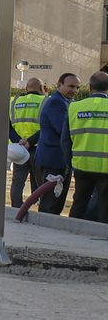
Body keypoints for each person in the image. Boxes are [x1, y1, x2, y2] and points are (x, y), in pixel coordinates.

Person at [35, 72, 80, 215]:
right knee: (50, 205)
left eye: (77, 87)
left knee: (56, 203)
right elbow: (64, 131)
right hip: (53, 162)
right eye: (71, 86)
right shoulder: (57, 102)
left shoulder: (64, 102)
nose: (74, 90)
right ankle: (43, 235)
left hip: (57, 161)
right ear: (59, 85)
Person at [66, 71, 108, 222]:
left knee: (79, 203)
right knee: (105, 206)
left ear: (90, 87)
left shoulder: (74, 107)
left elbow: (65, 140)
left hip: (82, 165)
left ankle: (72, 236)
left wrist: (70, 161)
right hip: (106, 168)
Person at [8, 77, 45, 207]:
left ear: (26, 88)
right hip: (38, 148)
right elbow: (47, 126)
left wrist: (19, 141)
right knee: (42, 183)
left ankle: (16, 209)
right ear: (42, 89)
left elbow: (8, 126)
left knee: (17, 182)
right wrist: (30, 141)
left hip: (19, 149)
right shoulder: (46, 101)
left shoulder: (13, 102)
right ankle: (41, 208)